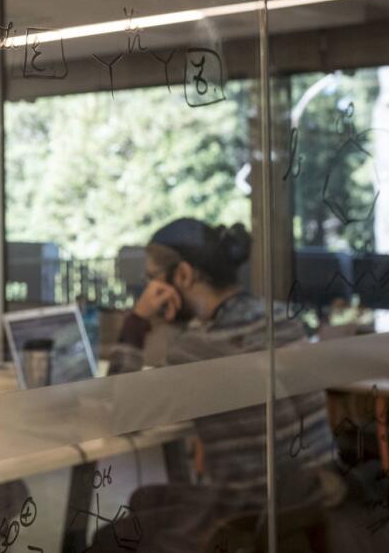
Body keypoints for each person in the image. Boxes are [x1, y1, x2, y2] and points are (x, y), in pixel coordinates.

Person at [97, 218, 334, 552]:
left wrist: (137, 321)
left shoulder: (198, 347)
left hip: (245, 520)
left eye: (151, 278)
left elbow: (123, 417)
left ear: (182, 276)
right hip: (305, 503)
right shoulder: (282, 318)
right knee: (145, 498)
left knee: (107, 540)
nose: (148, 290)